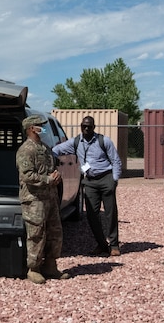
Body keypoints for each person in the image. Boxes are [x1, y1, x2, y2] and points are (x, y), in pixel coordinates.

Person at [52, 116, 122, 256]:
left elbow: (116, 161)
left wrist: (114, 181)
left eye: (89, 126)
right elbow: (56, 150)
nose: (86, 129)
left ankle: (114, 245)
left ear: (94, 127)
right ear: (80, 126)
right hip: (89, 181)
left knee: (110, 213)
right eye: (84, 126)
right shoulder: (76, 142)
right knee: (91, 215)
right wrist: (50, 161)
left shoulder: (104, 141)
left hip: (105, 178)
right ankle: (102, 245)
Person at [16, 115, 67, 284]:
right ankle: (34, 268)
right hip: (34, 199)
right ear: (31, 128)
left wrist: (56, 175)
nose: (43, 129)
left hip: (50, 197)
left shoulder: (45, 148)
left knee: (55, 231)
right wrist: (47, 180)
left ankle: (51, 266)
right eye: (40, 126)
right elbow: (27, 175)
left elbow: (51, 168)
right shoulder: (26, 150)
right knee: (36, 234)